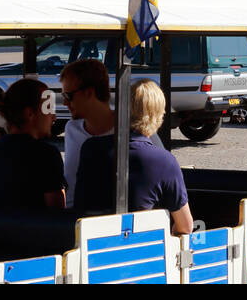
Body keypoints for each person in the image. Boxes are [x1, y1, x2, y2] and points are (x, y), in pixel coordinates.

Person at [73, 80, 192, 234]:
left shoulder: (90, 148)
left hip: (91, 243)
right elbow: (186, 227)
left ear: (122, 110)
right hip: (139, 249)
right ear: (158, 116)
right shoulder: (164, 161)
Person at [0, 78, 66, 209]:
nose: (54, 117)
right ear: (29, 114)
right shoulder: (45, 155)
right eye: (48, 108)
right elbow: (57, 213)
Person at [60, 59, 114, 207]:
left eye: (68, 96)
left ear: (89, 93)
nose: (64, 103)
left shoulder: (133, 127)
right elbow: (71, 184)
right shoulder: (71, 128)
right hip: (77, 219)